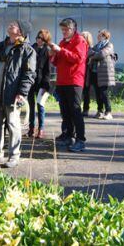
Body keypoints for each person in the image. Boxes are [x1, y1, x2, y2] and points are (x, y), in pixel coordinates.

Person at [0, 20, 36, 168]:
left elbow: (29, 74)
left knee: (13, 124)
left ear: (21, 31)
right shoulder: (1, 46)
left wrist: (22, 92)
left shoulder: (27, 50)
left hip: (12, 94)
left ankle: (14, 155)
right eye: (10, 24)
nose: (10, 25)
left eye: (14, 25)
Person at [50, 18, 88, 153]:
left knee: (75, 111)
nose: (64, 32)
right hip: (62, 81)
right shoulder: (63, 42)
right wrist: (53, 54)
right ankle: (68, 135)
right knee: (65, 111)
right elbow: (57, 62)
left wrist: (60, 50)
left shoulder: (80, 41)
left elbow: (78, 58)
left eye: (66, 29)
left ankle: (81, 139)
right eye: (62, 30)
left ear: (73, 29)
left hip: (74, 81)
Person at [28, 29, 52, 138]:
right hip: (31, 81)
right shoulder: (31, 48)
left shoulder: (47, 51)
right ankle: (31, 128)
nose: (38, 40)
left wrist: (46, 84)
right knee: (30, 106)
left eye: (41, 39)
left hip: (42, 82)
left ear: (45, 40)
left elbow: (48, 70)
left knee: (40, 105)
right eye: (38, 37)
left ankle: (41, 129)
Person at [89, 29, 116, 120]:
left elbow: (101, 54)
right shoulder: (97, 45)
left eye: (100, 35)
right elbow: (89, 52)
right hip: (95, 72)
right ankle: (99, 111)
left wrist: (93, 54)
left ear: (105, 36)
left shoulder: (109, 45)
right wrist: (93, 54)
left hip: (104, 74)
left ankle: (108, 112)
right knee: (97, 93)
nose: (98, 36)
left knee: (104, 93)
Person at [80, 31, 95, 117]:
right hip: (80, 72)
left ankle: (86, 109)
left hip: (88, 72)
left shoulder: (91, 49)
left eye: (83, 37)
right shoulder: (80, 47)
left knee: (86, 91)